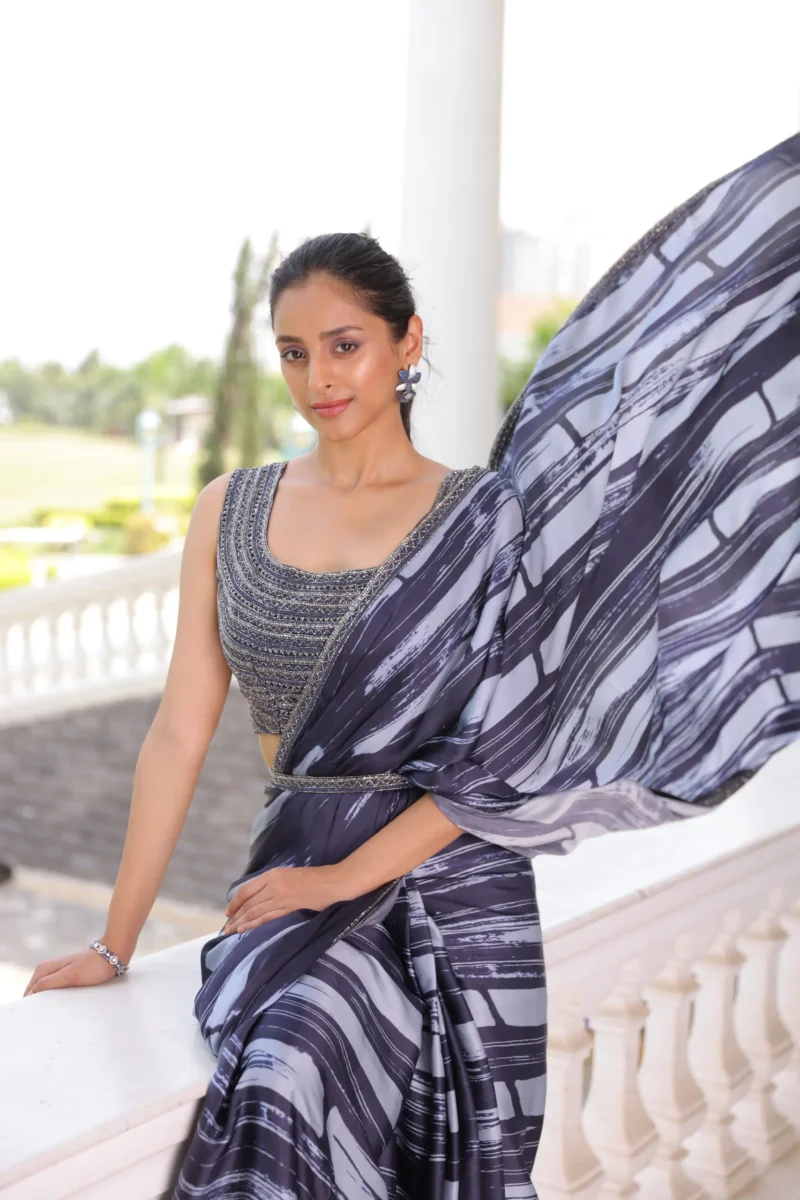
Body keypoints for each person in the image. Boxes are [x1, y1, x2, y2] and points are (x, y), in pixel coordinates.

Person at [23, 132, 800, 1199]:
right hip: (291, 863)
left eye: (343, 345)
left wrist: (346, 876)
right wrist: (114, 943)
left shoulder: (482, 517)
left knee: (296, 1064)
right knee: (285, 1063)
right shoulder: (229, 509)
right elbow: (177, 732)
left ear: (407, 342)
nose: (316, 378)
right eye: (293, 352)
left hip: (442, 873)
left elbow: (508, 746)